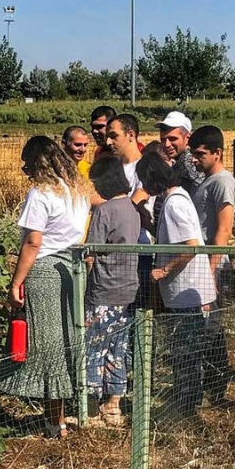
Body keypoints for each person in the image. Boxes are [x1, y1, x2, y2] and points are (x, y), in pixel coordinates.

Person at [0, 136, 91, 437]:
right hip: (72, 271)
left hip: (45, 270)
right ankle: (59, 417)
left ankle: (53, 422)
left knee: (47, 346)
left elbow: (33, 242)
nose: (26, 172)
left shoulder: (41, 193)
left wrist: (16, 282)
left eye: (26, 165)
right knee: (64, 339)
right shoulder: (76, 191)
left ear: (37, 164)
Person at [143, 147, 217, 420]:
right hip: (181, 294)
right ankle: (186, 403)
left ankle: (186, 408)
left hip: (186, 296)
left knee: (185, 354)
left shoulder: (175, 202)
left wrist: (163, 270)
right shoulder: (175, 199)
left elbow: (190, 246)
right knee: (184, 353)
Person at [84, 156, 142, 426]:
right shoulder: (131, 208)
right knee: (118, 349)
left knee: (94, 347)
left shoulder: (104, 211)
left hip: (104, 289)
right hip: (127, 289)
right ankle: (114, 405)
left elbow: (91, 250)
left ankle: (92, 408)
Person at [188, 125, 235, 403]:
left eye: (200, 154)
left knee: (211, 329)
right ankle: (211, 385)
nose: (194, 160)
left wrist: (211, 270)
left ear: (217, 153)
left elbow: (224, 229)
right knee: (206, 327)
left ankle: (216, 386)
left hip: (212, 266)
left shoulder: (222, 182)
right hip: (205, 264)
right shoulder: (208, 180)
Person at [157, 111, 205, 191]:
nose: (166, 144)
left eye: (173, 139)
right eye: (163, 140)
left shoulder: (188, 161)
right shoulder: (179, 160)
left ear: (187, 138)